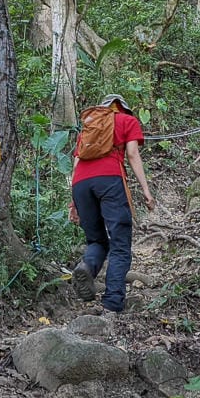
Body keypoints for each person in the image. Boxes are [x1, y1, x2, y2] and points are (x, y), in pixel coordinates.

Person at [69, 93, 155, 313]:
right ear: (124, 108)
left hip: (81, 185)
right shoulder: (127, 120)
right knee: (120, 243)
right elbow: (132, 154)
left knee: (96, 240)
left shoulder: (90, 126)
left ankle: (87, 267)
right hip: (109, 180)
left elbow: (76, 162)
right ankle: (113, 301)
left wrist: (73, 203)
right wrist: (146, 191)